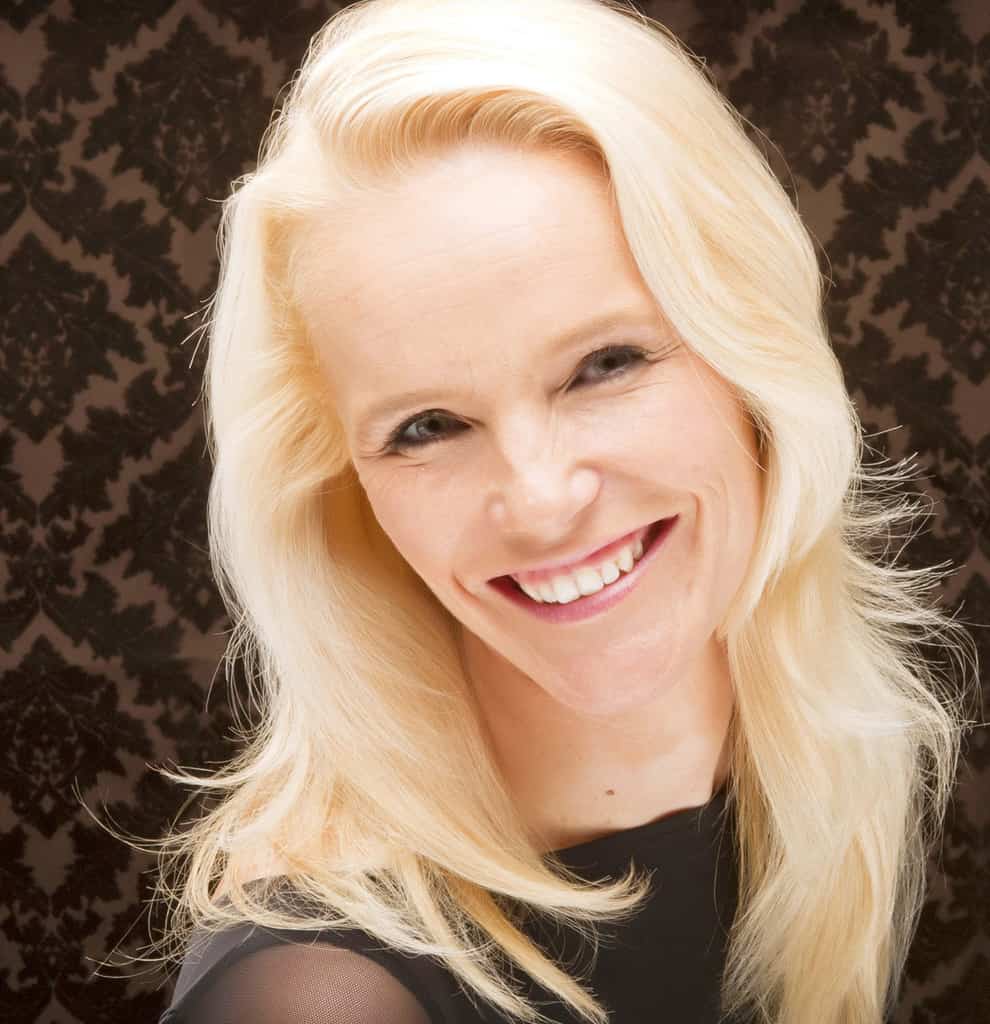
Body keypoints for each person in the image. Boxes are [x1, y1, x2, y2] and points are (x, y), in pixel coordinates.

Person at [134, 1, 977, 1022]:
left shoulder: (859, 751)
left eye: (604, 365)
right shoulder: (320, 995)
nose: (540, 501)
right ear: (345, 487)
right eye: (428, 426)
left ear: (751, 350)